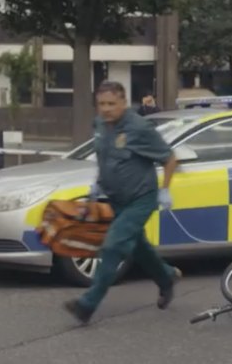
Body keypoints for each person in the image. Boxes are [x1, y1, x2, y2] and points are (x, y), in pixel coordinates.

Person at [64, 81, 181, 324]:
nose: (106, 109)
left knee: (112, 246)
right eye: (101, 104)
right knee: (138, 247)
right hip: (115, 197)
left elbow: (170, 159)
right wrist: (97, 184)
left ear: (123, 103)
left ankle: (88, 304)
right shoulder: (100, 125)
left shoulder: (139, 127)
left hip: (141, 198)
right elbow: (104, 156)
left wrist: (165, 191)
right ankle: (166, 277)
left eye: (111, 104)